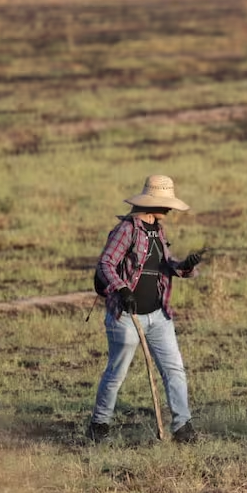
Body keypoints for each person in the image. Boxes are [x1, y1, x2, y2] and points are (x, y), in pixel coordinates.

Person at [88, 175, 206, 444]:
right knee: (117, 373)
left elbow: (162, 266)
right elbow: (106, 263)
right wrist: (122, 289)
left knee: (174, 370)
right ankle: (99, 425)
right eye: (166, 203)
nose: (170, 209)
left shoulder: (158, 231)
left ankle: (182, 427)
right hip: (127, 317)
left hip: (159, 315)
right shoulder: (127, 229)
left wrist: (185, 265)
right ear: (152, 203)